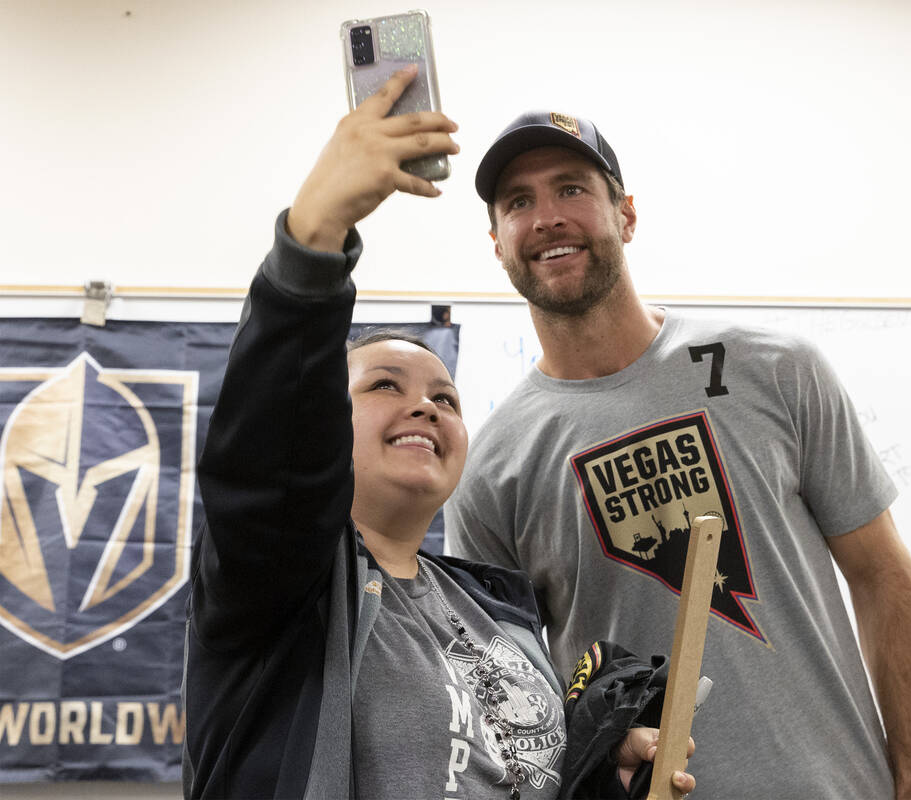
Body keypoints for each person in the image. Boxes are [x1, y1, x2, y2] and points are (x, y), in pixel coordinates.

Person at [182, 69, 695, 799]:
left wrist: (600, 781)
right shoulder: (281, 584)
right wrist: (314, 240)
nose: (425, 408)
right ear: (325, 422)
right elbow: (271, 463)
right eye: (384, 386)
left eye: (445, 399)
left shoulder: (497, 612)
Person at [445, 111, 911, 799]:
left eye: (571, 189)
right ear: (498, 244)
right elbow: (507, 707)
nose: (546, 218)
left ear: (626, 214)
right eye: (517, 203)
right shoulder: (489, 472)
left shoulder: (776, 369)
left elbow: (885, 578)